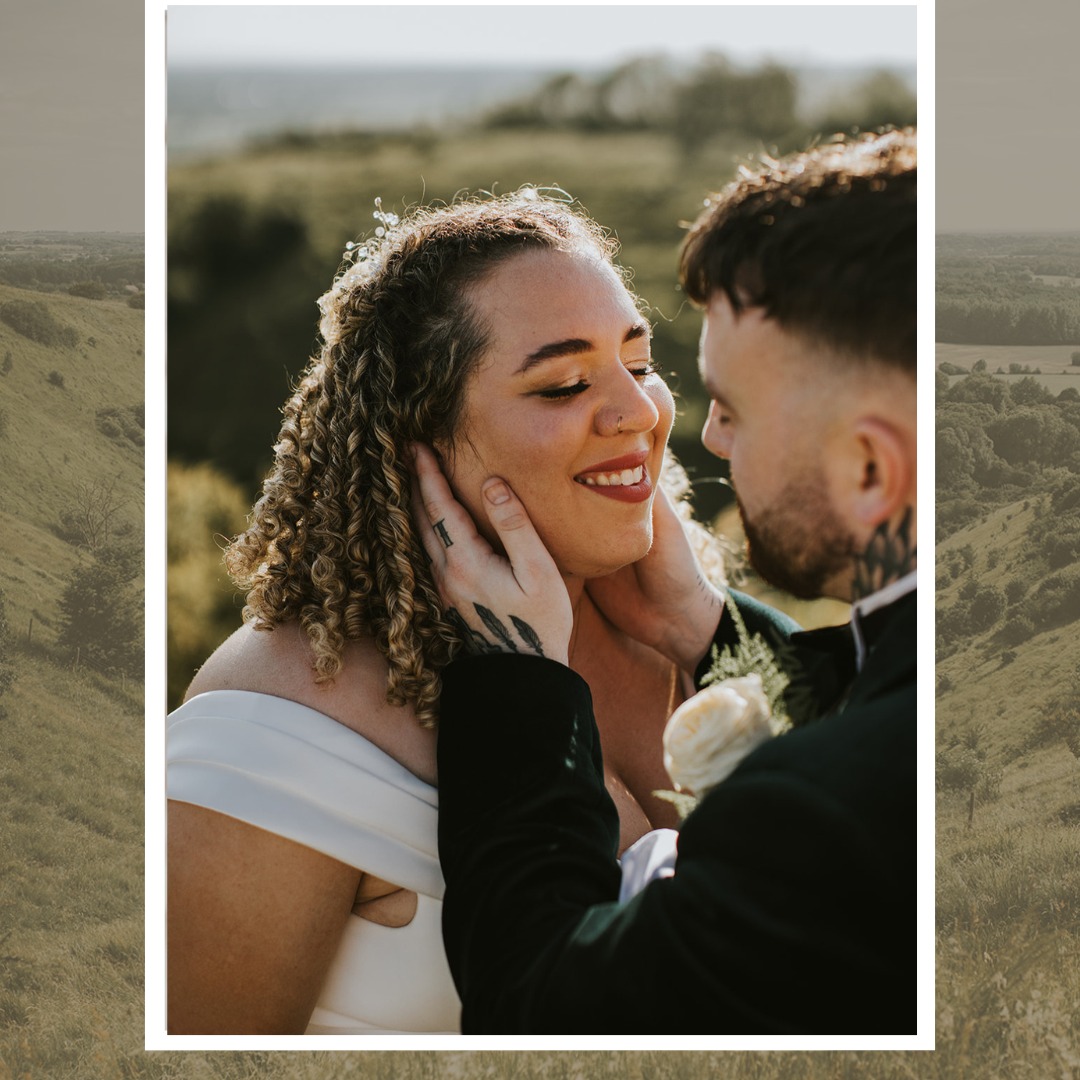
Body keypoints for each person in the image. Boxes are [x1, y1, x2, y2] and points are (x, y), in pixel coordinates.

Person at [166, 189, 726, 1033]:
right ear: (416, 439)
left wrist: (705, 624)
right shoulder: (279, 724)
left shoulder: (692, 632)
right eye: (565, 384)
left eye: (640, 364)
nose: (642, 413)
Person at [418, 130, 918, 1034]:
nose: (701, 435)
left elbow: (539, 1004)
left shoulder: (830, 815)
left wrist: (519, 679)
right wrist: (706, 626)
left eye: (736, 409)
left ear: (871, 470)